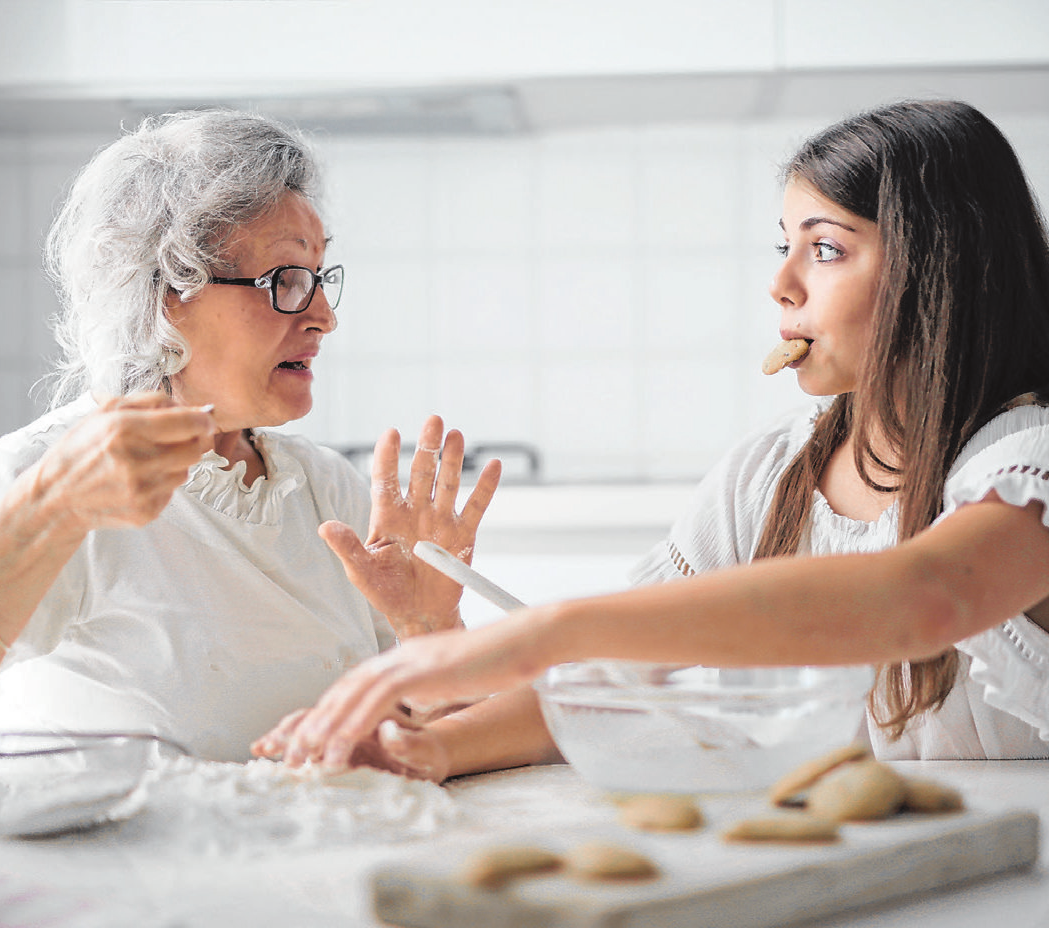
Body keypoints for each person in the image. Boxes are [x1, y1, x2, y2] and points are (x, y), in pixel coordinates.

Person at [254, 99, 1049, 777]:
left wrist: (549, 629)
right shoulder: (767, 476)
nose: (782, 282)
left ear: (940, 271)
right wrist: (426, 750)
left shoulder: (1025, 464)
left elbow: (925, 597)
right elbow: (610, 680)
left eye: (827, 247)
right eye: (785, 246)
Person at [0, 110, 499, 762]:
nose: (323, 317)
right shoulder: (40, 474)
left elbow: (433, 745)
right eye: (286, 280)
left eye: (320, 277)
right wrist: (45, 511)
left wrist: (430, 628)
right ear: (163, 293)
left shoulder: (326, 488)